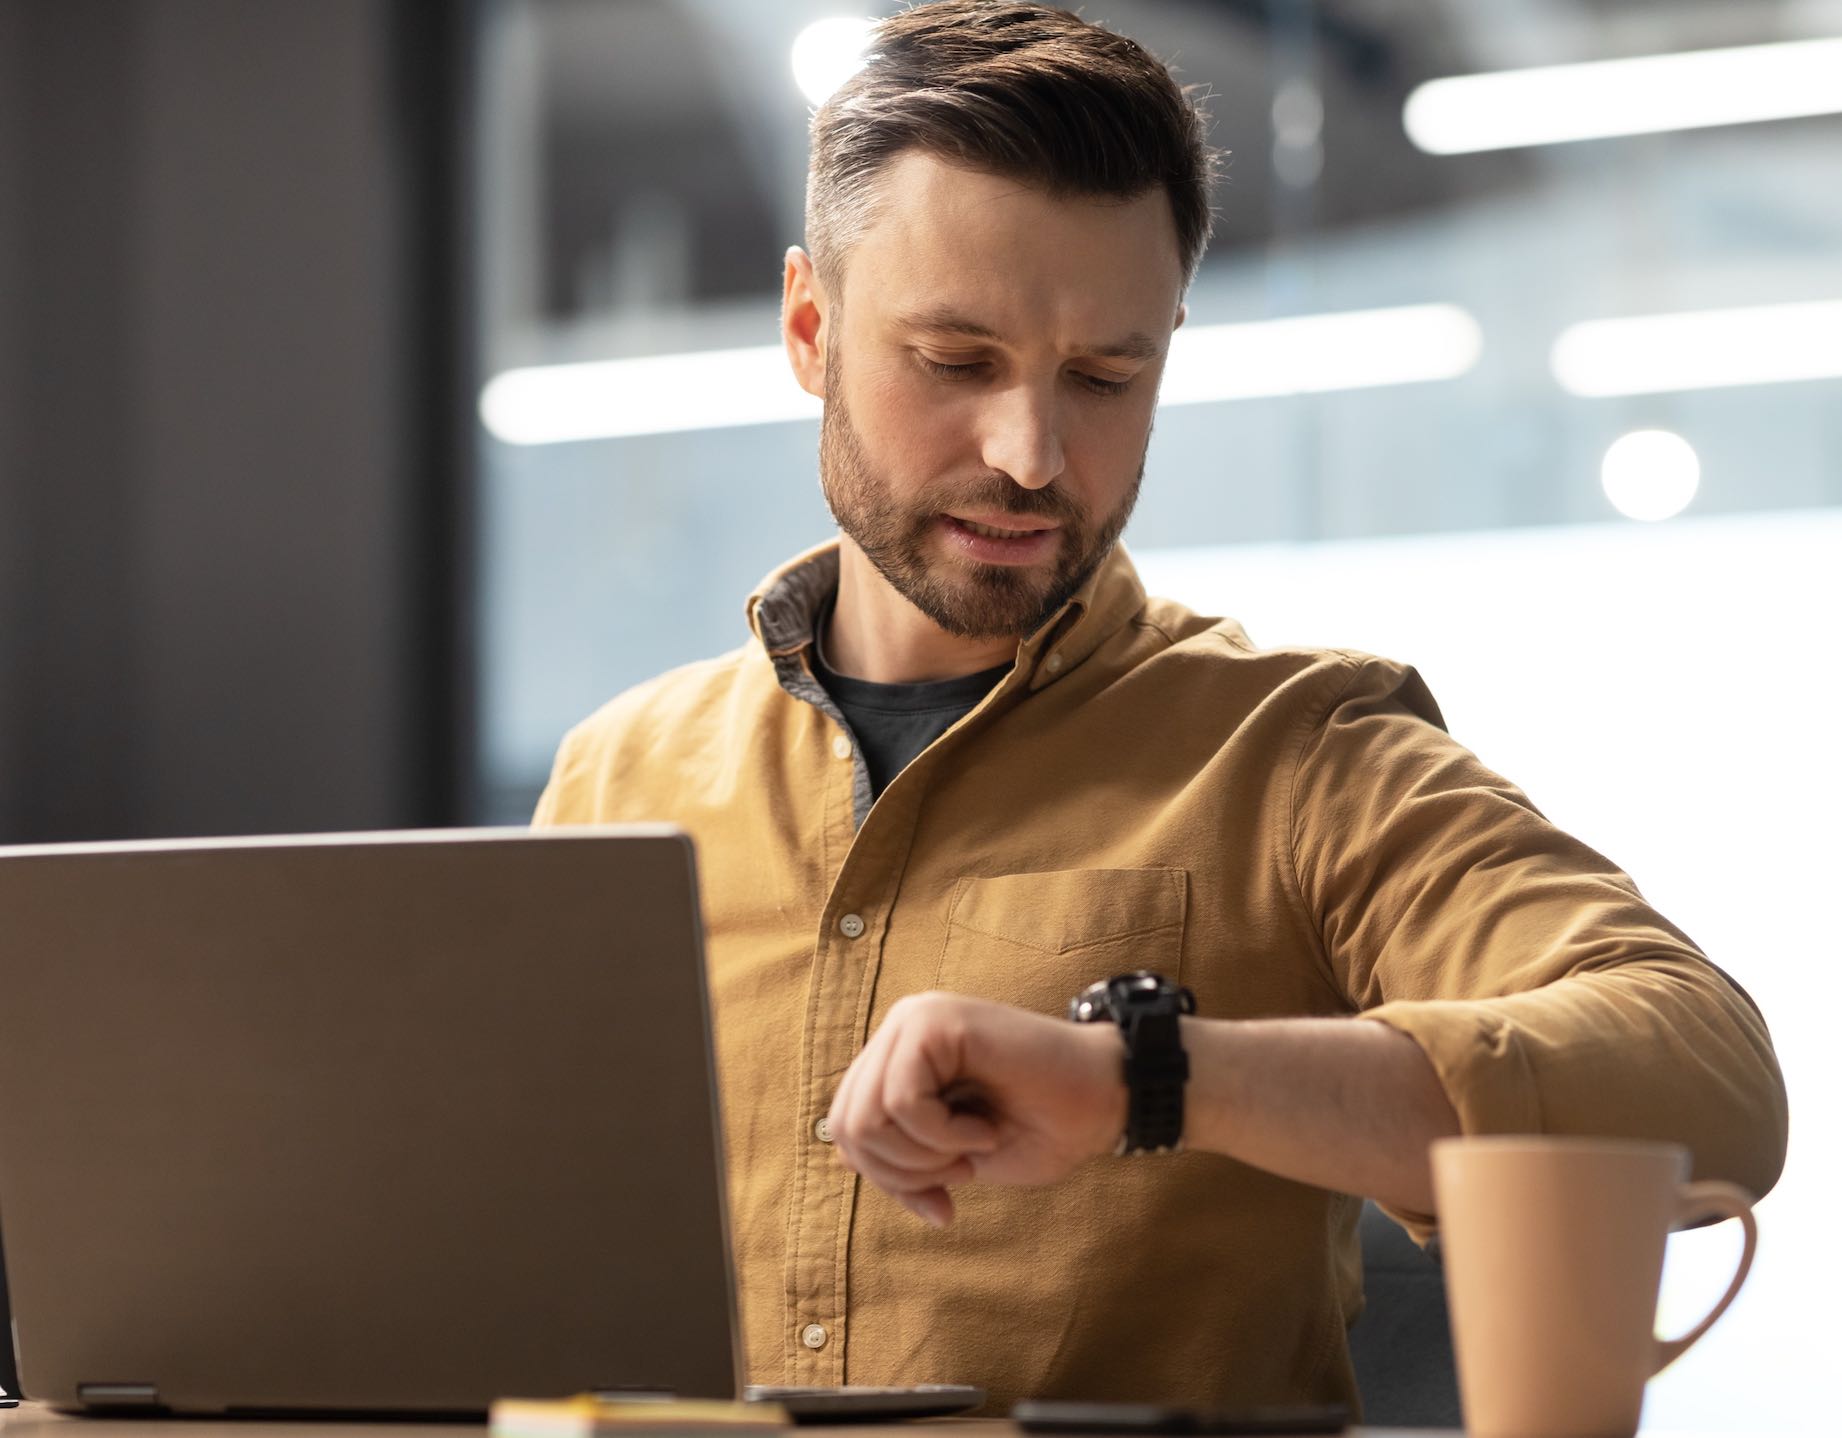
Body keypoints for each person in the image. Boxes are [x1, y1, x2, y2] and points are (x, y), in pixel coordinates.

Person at [533, 0, 1788, 1415]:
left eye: (1104, 376)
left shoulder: (1298, 753)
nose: (1029, 453)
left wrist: (1152, 1073)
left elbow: (1708, 1083)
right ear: (810, 328)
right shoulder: (618, 773)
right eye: (954, 362)